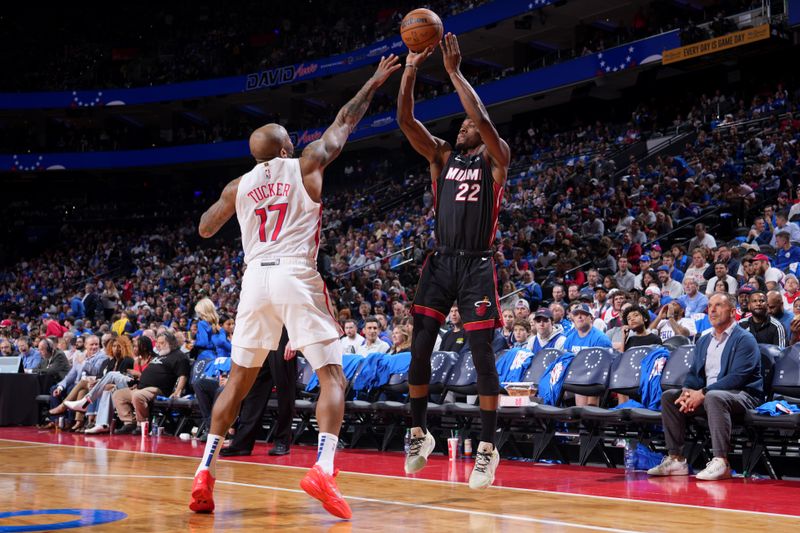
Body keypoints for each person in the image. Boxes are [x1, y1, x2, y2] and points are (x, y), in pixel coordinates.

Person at [189, 54, 401, 518]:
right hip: (294, 273)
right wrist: (373, 81)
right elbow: (344, 122)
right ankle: (324, 467)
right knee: (332, 375)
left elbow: (205, 228)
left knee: (239, 381)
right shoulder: (306, 163)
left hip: (254, 279)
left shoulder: (238, 185)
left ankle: (204, 471)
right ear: (285, 149)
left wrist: (232, 201)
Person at [397, 34, 510, 490]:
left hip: (477, 265)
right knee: (420, 348)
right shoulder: (442, 157)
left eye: (467, 126)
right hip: (441, 262)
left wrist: (454, 72)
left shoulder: (497, 160)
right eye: (460, 126)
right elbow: (405, 119)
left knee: (482, 354)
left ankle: (487, 447)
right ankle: (419, 433)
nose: (462, 128)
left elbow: (481, 117)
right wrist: (408, 69)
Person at [648, 293, 762, 481]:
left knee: (714, 396)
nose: (712, 310)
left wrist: (702, 393)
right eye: (710, 305)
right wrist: (687, 391)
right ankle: (676, 459)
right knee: (670, 397)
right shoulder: (704, 340)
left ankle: (721, 461)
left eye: (718, 305)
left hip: (744, 395)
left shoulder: (744, 339)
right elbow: (694, 374)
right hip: (711, 394)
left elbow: (738, 377)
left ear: (733, 311)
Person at [219, 328, 298, 458]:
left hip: (283, 332)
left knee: (285, 392)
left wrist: (294, 339)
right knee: (254, 392)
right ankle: (242, 444)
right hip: (261, 334)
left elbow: (296, 309)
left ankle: (282, 441)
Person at [559, 303, 612, 405]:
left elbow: (603, 367)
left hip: (595, 378)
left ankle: (588, 417)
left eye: (583, 314)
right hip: (575, 377)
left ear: (591, 318)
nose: (579, 317)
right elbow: (565, 362)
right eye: (576, 314)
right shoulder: (569, 338)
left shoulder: (600, 338)